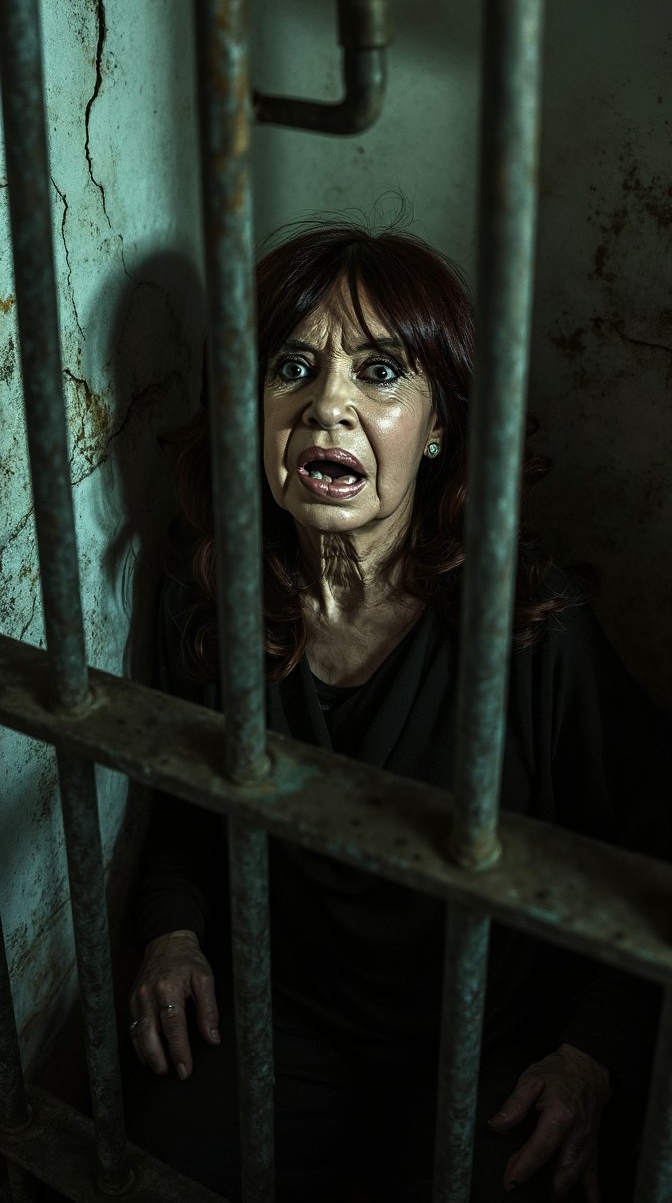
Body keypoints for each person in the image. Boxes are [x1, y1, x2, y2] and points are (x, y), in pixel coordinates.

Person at [123, 223, 671, 1202]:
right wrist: (171, 932)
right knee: (162, 1158)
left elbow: (651, 857)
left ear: (441, 426)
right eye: (292, 366)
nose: (326, 406)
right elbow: (185, 811)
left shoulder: (533, 627)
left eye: (380, 373)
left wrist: (592, 1058)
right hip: (283, 1017)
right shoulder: (209, 609)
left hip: (493, 1031)